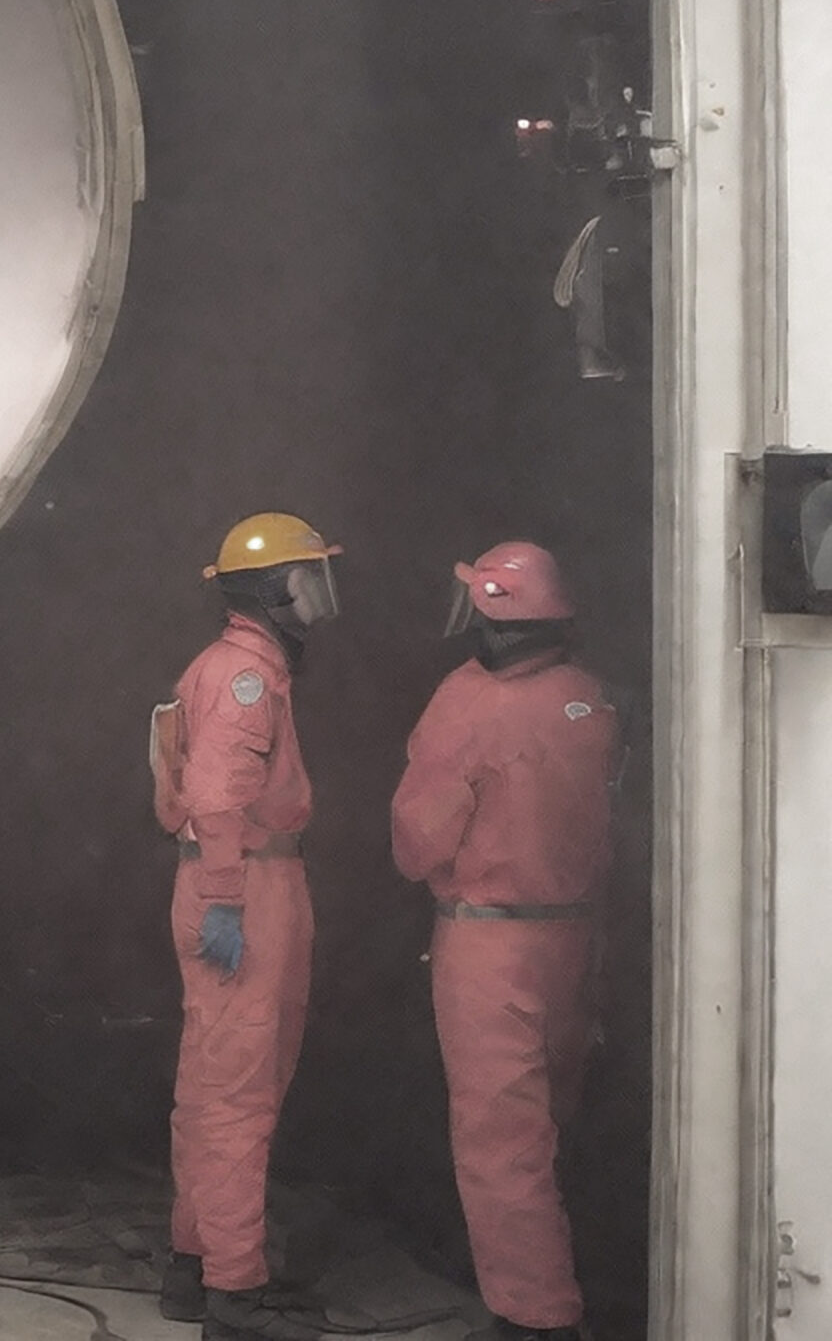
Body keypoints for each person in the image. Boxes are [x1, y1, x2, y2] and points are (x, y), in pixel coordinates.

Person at [392, 542, 615, 1341]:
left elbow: (417, 845)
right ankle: (557, 1274)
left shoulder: (466, 702)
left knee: (502, 1141)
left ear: (490, 615)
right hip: (579, 941)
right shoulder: (591, 698)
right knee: (557, 1122)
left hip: (490, 949)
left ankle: (537, 1316)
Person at [149, 513, 340, 1340]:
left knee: (213, 1087)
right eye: (313, 575)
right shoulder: (245, 679)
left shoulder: (236, 666)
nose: (323, 591)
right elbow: (218, 794)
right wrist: (227, 898)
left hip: (238, 880)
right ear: (281, 588)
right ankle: (235, 1295)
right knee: (240, 1096)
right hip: (248, 886)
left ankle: (195, 1267)